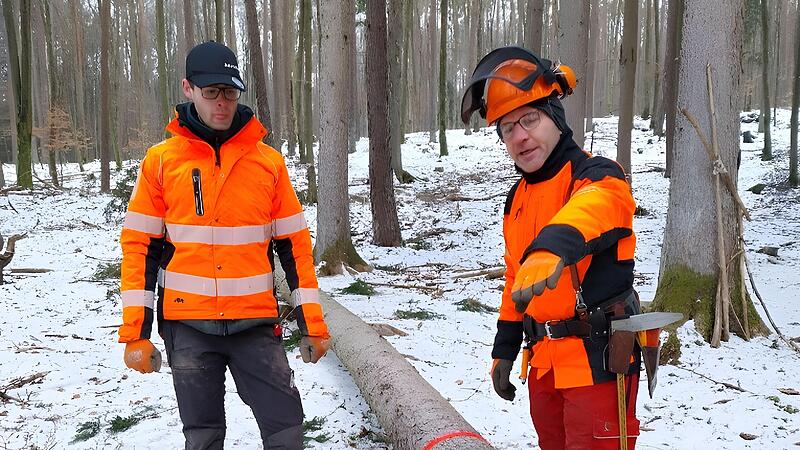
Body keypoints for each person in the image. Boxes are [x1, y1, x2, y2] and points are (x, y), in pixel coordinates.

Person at [118, 41, 329, 450]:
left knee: (287, 430)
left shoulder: (267, 163)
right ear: (188, 89)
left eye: (230, 93)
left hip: (255, 324)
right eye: (211, 92)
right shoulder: (160, 163)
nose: (221, 103)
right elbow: (139, 249)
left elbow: (295, 247)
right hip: (188, 325)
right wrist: (136, 334)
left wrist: (312, 324)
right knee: (203, 436)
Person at [461, 46, 642, 449]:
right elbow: (515, 280)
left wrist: (552, 248)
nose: (520, 135)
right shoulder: (517, 199)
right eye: (508, 128)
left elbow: (593, 209)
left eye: (529, 119)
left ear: (555, 117)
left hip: (597, 363)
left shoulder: (597, 175)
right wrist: (505, 349)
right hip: (543, 364)